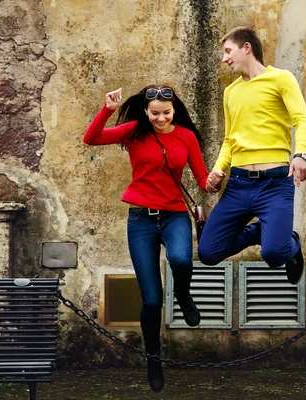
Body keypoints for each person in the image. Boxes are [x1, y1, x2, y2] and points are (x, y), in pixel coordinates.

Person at [83, 85, 213, 393]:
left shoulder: (186, 136)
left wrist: (216, 179)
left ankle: (183, 295)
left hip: (175, 215)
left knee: (181, 259)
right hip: (141, 218)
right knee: (152, 299)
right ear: (145, 111)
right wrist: (108, 109)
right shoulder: (134, 132)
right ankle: (153, 360)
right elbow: (91, 138)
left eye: (166, 113)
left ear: (174, 111)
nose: (160, 118)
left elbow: (202, 178)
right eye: (154, 113)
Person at [198, 27, 306, 284]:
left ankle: (289, 243)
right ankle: (261, 231)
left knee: (274, 254)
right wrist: (217, 171)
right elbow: (229, 139)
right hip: (238, 185)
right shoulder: (231, 92)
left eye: (228, 51)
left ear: (246, 47)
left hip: (275, 185)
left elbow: (301, 120)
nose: (224, 58)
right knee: (207, 252)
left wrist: (301, 154)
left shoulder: (281, 79)